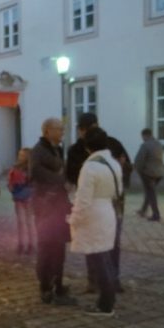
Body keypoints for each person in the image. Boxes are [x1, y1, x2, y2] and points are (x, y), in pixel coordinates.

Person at [66, 112, 132, 293]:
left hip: (103, 203)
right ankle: (103, 281)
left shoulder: (108, 145)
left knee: (100, 243)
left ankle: (105, 282)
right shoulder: (80, 149)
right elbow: (71, 175)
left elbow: (127, 167)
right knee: (102, 243)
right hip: (108, 203)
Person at [68, 127, 122, 316]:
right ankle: (107, 300)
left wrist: (73, 219)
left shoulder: (90, 167)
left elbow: (82, 199)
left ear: (87, 147)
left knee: (99, 259)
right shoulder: (113, 163)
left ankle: (106, 304)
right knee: (105, 256)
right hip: (107, 211)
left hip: (93, 214)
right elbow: (118, 191)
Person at [30, 118, 75, 305]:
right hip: (45, 205)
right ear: (47, 131)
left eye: (63, 129)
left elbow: (60, 172)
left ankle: (58, 283)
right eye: (59, 129)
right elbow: (35, 173)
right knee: (46, 246)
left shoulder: (57, 148)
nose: (62, 132)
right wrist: (59, 180)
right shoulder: (38, 150)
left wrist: (63, 181)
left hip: (59, 204)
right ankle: (45, 287)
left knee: (59, 247)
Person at [7, 148, 37, 254]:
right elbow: (10, 181)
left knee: (29, 221)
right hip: (18, 196)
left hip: (28, 196)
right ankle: (21, 243)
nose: (21, 157)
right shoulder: (16, 167)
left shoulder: (31, 168)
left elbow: (35, 182)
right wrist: (11, 188)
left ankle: (31, 244)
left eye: (23, 155)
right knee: (21, 221)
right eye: (20, 154)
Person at [134, 128, 164, 222]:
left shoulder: (145, 145)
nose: (142, 138)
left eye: (142, 137)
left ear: (145, 135)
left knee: (151, 193)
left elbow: (139, 160)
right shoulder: (158, 144)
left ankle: (156, 215)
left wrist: (139, 171)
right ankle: (143, 210)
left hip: (149, 173)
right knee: (150, 191)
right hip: (160, 173)